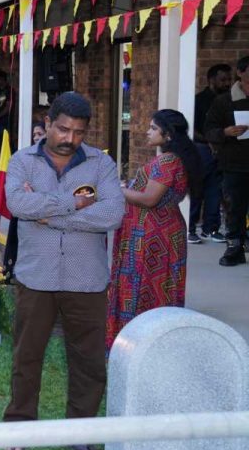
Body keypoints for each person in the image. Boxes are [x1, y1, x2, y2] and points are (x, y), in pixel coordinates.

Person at [2, 92, 124, 450]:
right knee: (27, 355)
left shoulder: (101, 164)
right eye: (63, 129)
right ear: (48, 123)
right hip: (35, 276)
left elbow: (112, 214)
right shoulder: (22, 161)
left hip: (86, 278)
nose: (70, 138)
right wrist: (74, 203)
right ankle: (19, 426)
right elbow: (18, 204)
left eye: (79, 132)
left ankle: (82, 433)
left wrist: (49, 215)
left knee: (88, 361)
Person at [106, 109, 199, 350]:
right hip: (162, 230)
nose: (148, 132)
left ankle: (138, 346)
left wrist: (118, 190)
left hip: (151, 234)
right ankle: (158, 345)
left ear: (168, 134)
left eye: (153, 128)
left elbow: (149, 199)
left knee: (143, 287)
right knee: (160, 288)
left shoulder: (167, 161)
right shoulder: (178, 158)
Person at [205, 54, 249, 266]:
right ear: (240, 72)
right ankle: (234, 247)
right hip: (234, 163)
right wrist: (225, 132)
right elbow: (209, 130)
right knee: (235, 208)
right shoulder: (224, 101)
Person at [190, 63, 232, 244]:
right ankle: (191, 228)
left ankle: (211, 229)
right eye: (223, 80)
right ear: (211, 80)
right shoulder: (200, 100)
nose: (227, 83)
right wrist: (209, 140)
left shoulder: (229, 101)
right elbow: (192, 126)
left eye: (229, 79)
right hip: (201, 148)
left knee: (215, 190)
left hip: (223, 149)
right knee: (197, 189)